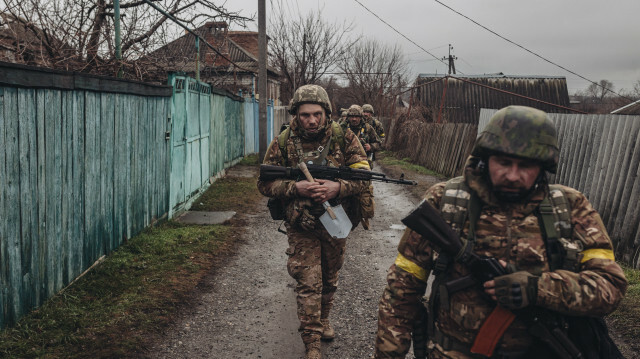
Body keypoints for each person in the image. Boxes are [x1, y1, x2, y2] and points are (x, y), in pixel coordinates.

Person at [375, 106, 628, 358]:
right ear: (485, 159)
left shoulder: (571, 207)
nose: (513, 175)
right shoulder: (447, 201)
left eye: (526, 166)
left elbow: (611, 286)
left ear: (543, 167)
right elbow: (402, 290)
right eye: (504, 163)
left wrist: (538, 289)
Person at [257, 84, 371, 359]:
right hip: (301, 223)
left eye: (317, 114)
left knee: (330, 277)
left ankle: (323, 320)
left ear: (326, 113)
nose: (311, 120)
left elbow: (364, 175)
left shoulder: (344, 137)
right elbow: (265, 183)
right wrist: (296, 189)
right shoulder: (283, 142)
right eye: (305, 114)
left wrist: (337, 188)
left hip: (336, 221)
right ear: (296, 114)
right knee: (308, 281)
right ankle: (312, 343)